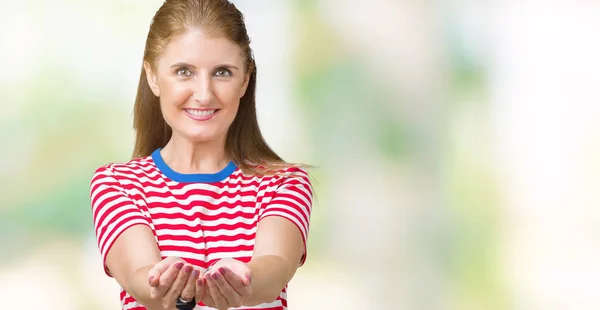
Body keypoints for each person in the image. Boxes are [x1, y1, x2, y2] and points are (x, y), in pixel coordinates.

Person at [89, 0, 313, 309]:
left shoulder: (284, 184)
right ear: (153, 77)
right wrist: (161, 287)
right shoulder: (117, 184)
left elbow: (274, 268)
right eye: (184, 72)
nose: (205, 94)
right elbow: (138, 278)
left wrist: (245, 282)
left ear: (245, 80)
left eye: (222, 72)